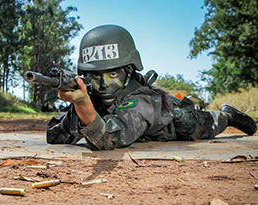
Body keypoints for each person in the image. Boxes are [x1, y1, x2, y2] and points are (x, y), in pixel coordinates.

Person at [46, 25, 257, 150]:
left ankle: (229, 115)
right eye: (94, 75)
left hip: (180, 124)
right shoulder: (92, 95)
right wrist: (78, 103)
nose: (103, 84)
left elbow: (107, 140)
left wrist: (83, 103)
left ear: (129, 71)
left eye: (113, 74)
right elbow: (54, 136)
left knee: (208, 123)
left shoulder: (143, 101)